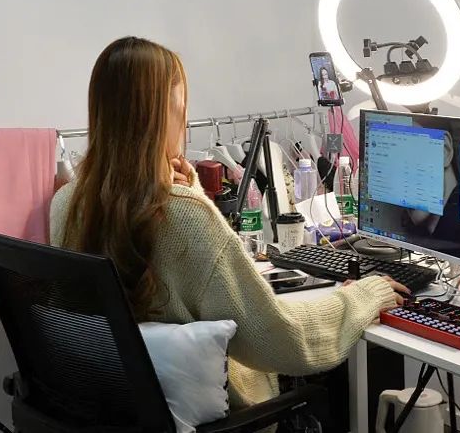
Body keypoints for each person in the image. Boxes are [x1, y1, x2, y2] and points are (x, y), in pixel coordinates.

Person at [49, 36, 408, 409]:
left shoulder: (66, 203)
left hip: (120, 406)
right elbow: (279, 340)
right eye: (181, 103)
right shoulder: (183, 215)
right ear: (162, 113)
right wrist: (362, 295)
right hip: (213, 412)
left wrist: (187, 190)